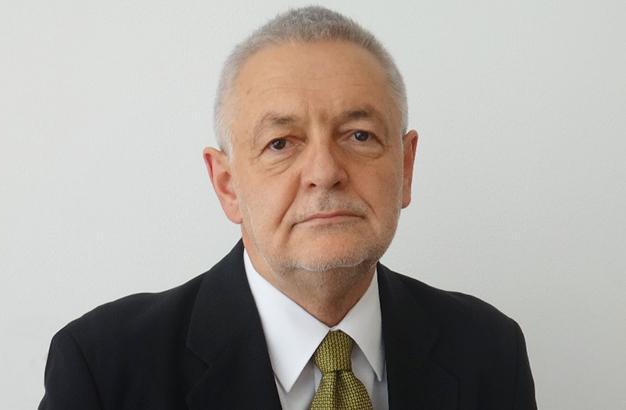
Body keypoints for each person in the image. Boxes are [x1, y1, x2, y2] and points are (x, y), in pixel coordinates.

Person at [39, 6, 537, 410]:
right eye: (280, 143)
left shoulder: (489, 351)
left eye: (359, 135)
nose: (325, 171)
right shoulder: (104, 368)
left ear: (405, 168)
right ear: (227, 184)